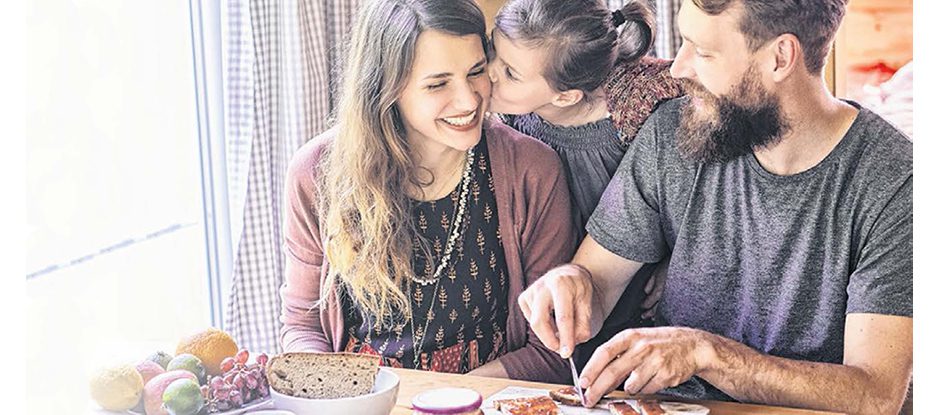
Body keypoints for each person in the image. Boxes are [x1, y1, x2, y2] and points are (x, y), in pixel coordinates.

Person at [517, 0, 913, 413]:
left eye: (702, 51)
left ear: (780, 57)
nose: (678, 68)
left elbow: (875, 395)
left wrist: (707, 354)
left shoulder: (894, 179)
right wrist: (568, 285)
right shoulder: (672, 132)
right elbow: (595, 285)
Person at [278, 0, 576, 383]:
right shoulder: (315, 172)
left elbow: (551, 349)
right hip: (363, 401)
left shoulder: (532, 169)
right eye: (438, 84)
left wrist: (447, 401)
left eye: (476, 72)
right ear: (386, 87)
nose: (469, 100)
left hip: (488, 401)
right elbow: (303, 323)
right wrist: (337, 395)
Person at [488, 0, 684, 371]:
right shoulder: (506, 113)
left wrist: (679, 259)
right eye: (493, 51)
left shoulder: (641, 108)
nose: (490, 73)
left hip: (630, 302)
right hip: (548, 294)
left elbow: (699, 189)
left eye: (510, 73)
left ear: (566, 96)